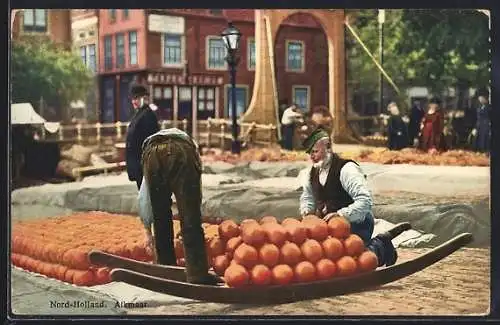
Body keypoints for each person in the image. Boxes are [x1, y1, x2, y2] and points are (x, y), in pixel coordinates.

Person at [299, 128, 401, 267]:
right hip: (328, 228)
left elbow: (364, 201)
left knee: (350, 262)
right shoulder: (311, 173)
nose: (312, 157)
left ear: (328, 148)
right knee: (319, 256)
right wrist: (307, 211)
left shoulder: (347, 169)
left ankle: (380, 246)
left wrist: (342, 215)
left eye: (315, 152)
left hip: (356, 225)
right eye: (310, 153)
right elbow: (307, 197)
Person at [138, 128, 220, 285]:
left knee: (160, 217)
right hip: (179, 151)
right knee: (190, 217)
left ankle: (164, 270)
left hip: (151, 154)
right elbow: (194, 200)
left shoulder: (152, 145)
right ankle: (197, 274)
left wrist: (147, 227)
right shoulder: (189, 147)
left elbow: (144, 196)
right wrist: (193, 207)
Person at [126, 84, 160, 190]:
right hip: (137, 163)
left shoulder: (148, 115)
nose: (133, 102)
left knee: (147, 194)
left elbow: (151, 141)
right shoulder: (139, 114)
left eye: (136, 98)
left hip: (144, 164)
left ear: (144, 99)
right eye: (133, 99)